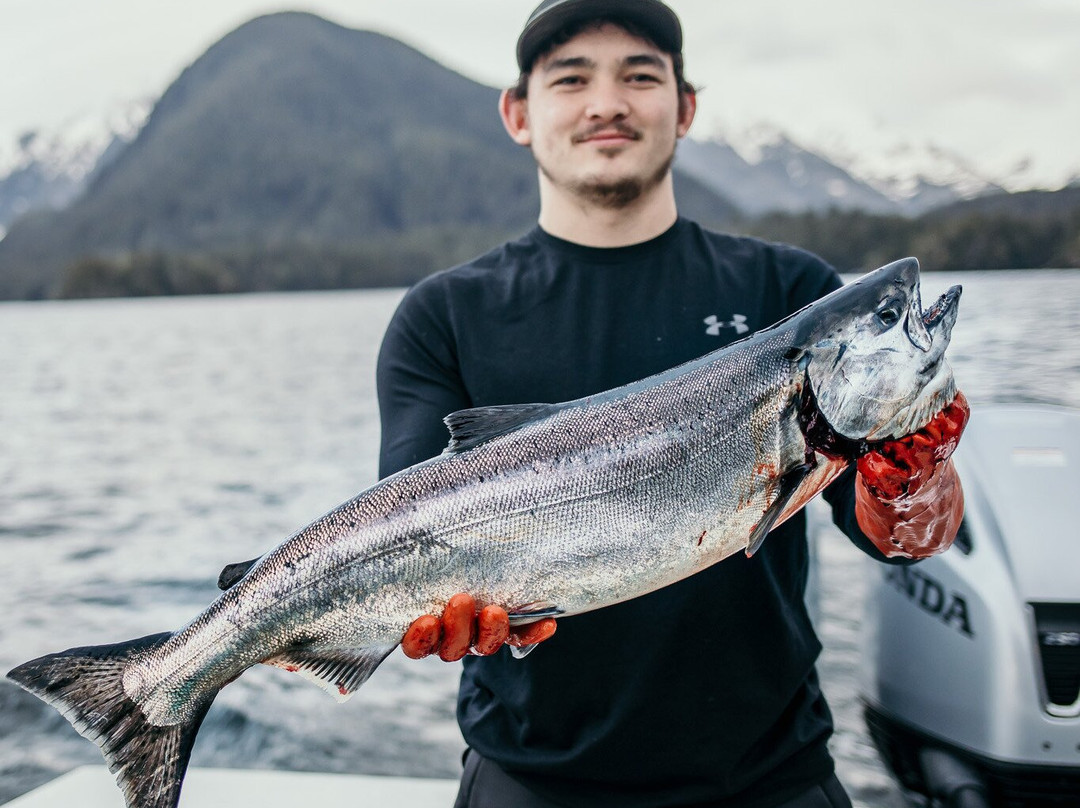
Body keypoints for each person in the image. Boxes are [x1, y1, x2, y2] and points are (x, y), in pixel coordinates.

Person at [375, 1, 968, 806]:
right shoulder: (442, 316)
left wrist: (915, 483)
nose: (607, 102)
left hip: (770, 777)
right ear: (518, 113)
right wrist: (440, 605)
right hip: (529, 780)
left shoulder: (792, 293)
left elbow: (904, 540)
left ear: (685, 108)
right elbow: (403, 536)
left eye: (640, 76)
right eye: (571, 79)